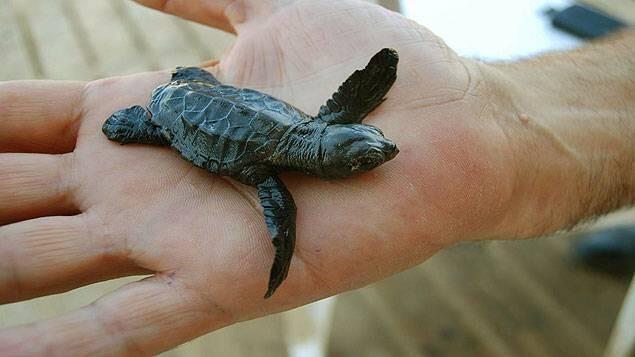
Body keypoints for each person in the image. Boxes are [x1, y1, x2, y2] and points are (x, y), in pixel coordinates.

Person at [0, 0, 633, 354]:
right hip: (173, 117)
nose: (379, 153)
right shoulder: (273, 170)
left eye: (366, 149)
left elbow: (356, 105)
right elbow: (280, 213)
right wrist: (280, 259)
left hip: (208, 97)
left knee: (206, 102)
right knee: (124, 127)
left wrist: (464, 104)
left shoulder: (315, 129)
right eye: (363, 154)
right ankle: (154, 115)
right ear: (325, 151)